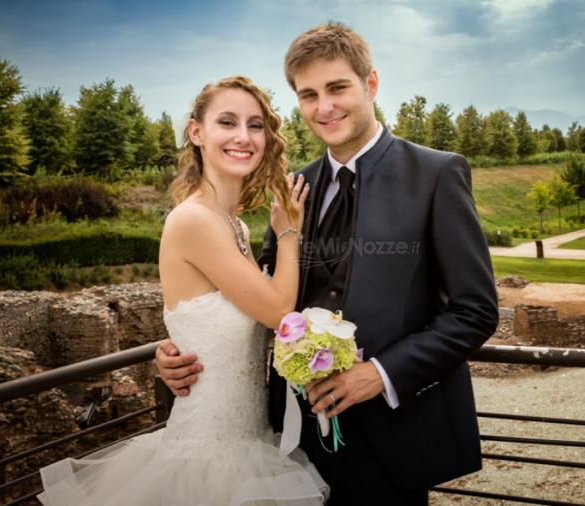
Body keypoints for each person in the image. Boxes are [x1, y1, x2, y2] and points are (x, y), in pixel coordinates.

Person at [157, 23, 499, 505]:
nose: (324, 107)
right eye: (308, 94)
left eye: (337, 88)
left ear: (371, 84)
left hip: (393, 440)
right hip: (289, 445)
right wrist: (182, 348)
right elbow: (253, 298)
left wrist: (378, 373)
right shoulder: (294, 189)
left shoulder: (437, 174)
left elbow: (475, 311)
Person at [38, 76, 329, 505]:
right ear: (197, 133)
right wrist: (288, 232)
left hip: (251, 440)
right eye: (226, 122)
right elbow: (279, 310)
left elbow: (231, 321)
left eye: (254, 125)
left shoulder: (233, 224)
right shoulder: (194, 220)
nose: (243, 137)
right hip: (207, 462)